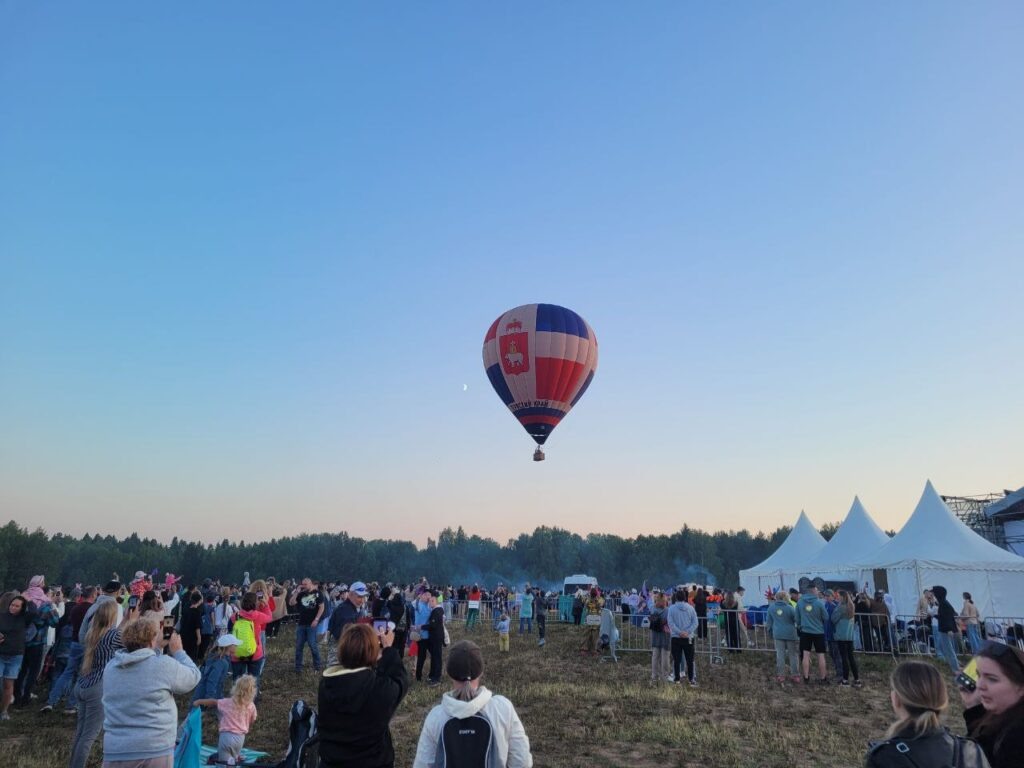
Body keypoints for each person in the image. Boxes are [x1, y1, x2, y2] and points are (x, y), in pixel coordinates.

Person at [413, 640, 532, 768]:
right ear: (481, 672)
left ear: (449, 674)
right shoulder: (502, 707)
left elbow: (422, 764)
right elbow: (521, 761)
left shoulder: (436, 716)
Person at [101, 616, 201, 766]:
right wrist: (179, 651)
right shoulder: (163, 666)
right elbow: (193, 676)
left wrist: (156, 648)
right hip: (154, 748)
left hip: (116, 748)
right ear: (150, 641)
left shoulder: (111, 667)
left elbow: (145, 666)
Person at [865, 660, 989, 767]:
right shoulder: (969, 750)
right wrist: (974, 708)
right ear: (942, 699)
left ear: (896, 699)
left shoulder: (886, 756)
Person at [318, 623, 409, 767]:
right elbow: (400, 680)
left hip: (332, 761)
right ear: (373, 652)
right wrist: (388, 650)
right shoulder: (380, 690)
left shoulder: (326, 685)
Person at [69, 600, 135, 768]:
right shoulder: (113, 636)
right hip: (98, 686)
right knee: (89, 736)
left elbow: (116, 634)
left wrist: (126, 621)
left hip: (83, 682)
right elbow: (132, 644)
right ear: (113, 616)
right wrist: (132, 621)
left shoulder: (92, 633)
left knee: (81, 733)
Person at [962, 642, 1024, 768]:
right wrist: (973, 706)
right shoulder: (1000, 714)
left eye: (992, 679)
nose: (979, 685)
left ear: (1021, 687)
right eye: (979, 675)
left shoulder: (1017, 735)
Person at [43, 585, 96, 714]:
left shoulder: (75, 608)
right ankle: (71, 705)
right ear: (93, 595)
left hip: (73, 642)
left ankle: (51, 701)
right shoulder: (93, 609)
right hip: (86, 644)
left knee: (66, 673)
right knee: (80, 675)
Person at [15, 575, 61, 707]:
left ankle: (16, 696)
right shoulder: (45, 602)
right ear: (41, 585)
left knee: (21, 670)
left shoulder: (22, 598)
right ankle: (26, 697)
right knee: (33, 671)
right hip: (38, 641)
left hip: (21, 640)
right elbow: (54, 622)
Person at [193, 674, 259, 766]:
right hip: (240, 738)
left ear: (235, 688)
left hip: (226, 737)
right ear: (252, 691)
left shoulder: (227, 702)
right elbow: (253, 720)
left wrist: (199, 701)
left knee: (223, 763)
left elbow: (213, 702)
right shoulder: (251, 706)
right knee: (232, 762)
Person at [0, 593, 35, 721]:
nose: (13, 607)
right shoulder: (2, 616)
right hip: (1, 653)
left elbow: (34, 612)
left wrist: (28, 599)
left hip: (15, 656)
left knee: (8, 685)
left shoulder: (24, 618)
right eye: (12, 605)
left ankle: (3, 711)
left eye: (16, 606)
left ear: (22, 607)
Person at [230, 592, 272, 688]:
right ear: (255, 603)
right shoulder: (257, 615)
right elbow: (269, 618)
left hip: (237, 652)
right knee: (254, 680)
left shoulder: (235, 616)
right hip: (255, 652)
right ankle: (252, 700)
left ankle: (237, 700)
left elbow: (230, 631)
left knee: (237, 680)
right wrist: (265, 605)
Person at [327, 581, 368, 667]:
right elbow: (344, 636)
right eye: (359, 597)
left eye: (364, 597)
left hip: (347, 647)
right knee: (336, 673)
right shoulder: (345, 612)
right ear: (350, 595)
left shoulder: (355, 608)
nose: (362, 600)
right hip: (341, 648)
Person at [795, 582, 829, 685]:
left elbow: (797, 618)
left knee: (805, 655)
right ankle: (823, 678)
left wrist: (801, 626)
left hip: (805, 632)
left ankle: (806, 677)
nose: (818, 592)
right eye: (817, 590)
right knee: (821, 656)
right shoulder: (819, 603)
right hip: (818, 632)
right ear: (813, 591)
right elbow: (826, 617)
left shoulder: (800, 603)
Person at [192, 634, 240, 706]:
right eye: (235, 645)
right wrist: (209, 700)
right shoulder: (221, 662)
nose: (237, 646)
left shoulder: (215, 657)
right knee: (195, 715)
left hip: (203, 693)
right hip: (206, 696)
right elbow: (212, 680)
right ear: (229, 647)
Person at [290, 577, 325, 673]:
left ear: (310, 584)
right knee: (299, 646)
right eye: (303, 584)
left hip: (312, 623)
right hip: (301, 623)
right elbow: (291, 602)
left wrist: (316, 619)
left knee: (312, 644)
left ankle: (317, 666)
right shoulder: (301, 594)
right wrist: (297, 592)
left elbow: (321, 607)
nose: (304, 586)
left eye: (305, 584)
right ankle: (298, 668)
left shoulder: (318, 594)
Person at [766, 590, 799, 683]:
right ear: (786, 597)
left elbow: (768, 623)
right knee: (793, 655)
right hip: (790, 634)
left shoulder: (771, 608)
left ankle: (781, 676)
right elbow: (796, 620)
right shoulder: (790, 608)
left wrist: (770, 633)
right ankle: (795, 675)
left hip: (778, 634)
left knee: (780, 655)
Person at [667, 588, 698, 686]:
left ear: (676, 598)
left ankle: (677, 679)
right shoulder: (691, 608)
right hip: (688, 638)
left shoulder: (671, 608)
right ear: (685, 598)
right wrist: (687, 632)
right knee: (690, 659)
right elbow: (695, 622)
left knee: (677, 660)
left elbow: (670, 623)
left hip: (676, 638)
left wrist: (679, 632)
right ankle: (691, 680)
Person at [831, 590, 862, 688]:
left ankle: (845, 680)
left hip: (841, 635)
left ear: (842, 597)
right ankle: (857, 679)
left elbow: (833, 618)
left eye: (838, 596)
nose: (837, 597)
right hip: (849, 636)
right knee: (851, 657)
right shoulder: (851, 606)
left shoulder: (840, 607)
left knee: (844, 658)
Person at [415, 591, 444, 685]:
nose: (429, 602)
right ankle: (432, 676)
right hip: (432, 638)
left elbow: (433, 625)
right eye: (429, 600)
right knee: (434, 657)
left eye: (431, 600)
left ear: (435, 601)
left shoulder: (436, 611)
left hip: (436, 637)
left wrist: (421, 627)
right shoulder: (435, 610)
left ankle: (436, 678)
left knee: (437, 657)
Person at [931, 585, 961, 674]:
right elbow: (944, 616)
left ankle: (955, 668)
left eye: (934, 593)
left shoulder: (944, 604)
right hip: (944, 629)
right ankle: (956, 665)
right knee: (946, 648)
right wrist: (934, 615)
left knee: (948, 649)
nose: (934, 594)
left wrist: (949, 629)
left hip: (945, 630)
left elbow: (947, 617)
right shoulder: (944, 603)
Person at [648, 593, 671, 683]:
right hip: (665, 635)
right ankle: (665, 677)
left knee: (655, 656)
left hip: (655, 635)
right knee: (665, 656)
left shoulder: (652, 609)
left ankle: (654, 676)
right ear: (665, 601)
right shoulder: (667, 611)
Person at [179, 590, 204, 662]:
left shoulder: (186, 607)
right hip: (192, 636)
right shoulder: (196, 612)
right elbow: (197, 626)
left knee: (184, 652)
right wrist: (199, 638)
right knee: (191, 655)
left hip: (184, 633)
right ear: (198, 601)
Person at [580, 588, 604, 655]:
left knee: (586, 634)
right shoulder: (600, 600)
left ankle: (584, 649)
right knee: (595, 635)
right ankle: (594, 650)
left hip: (589, 619)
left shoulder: (588, 600)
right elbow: (601, 603)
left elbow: (583, 600)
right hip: (596, 619)